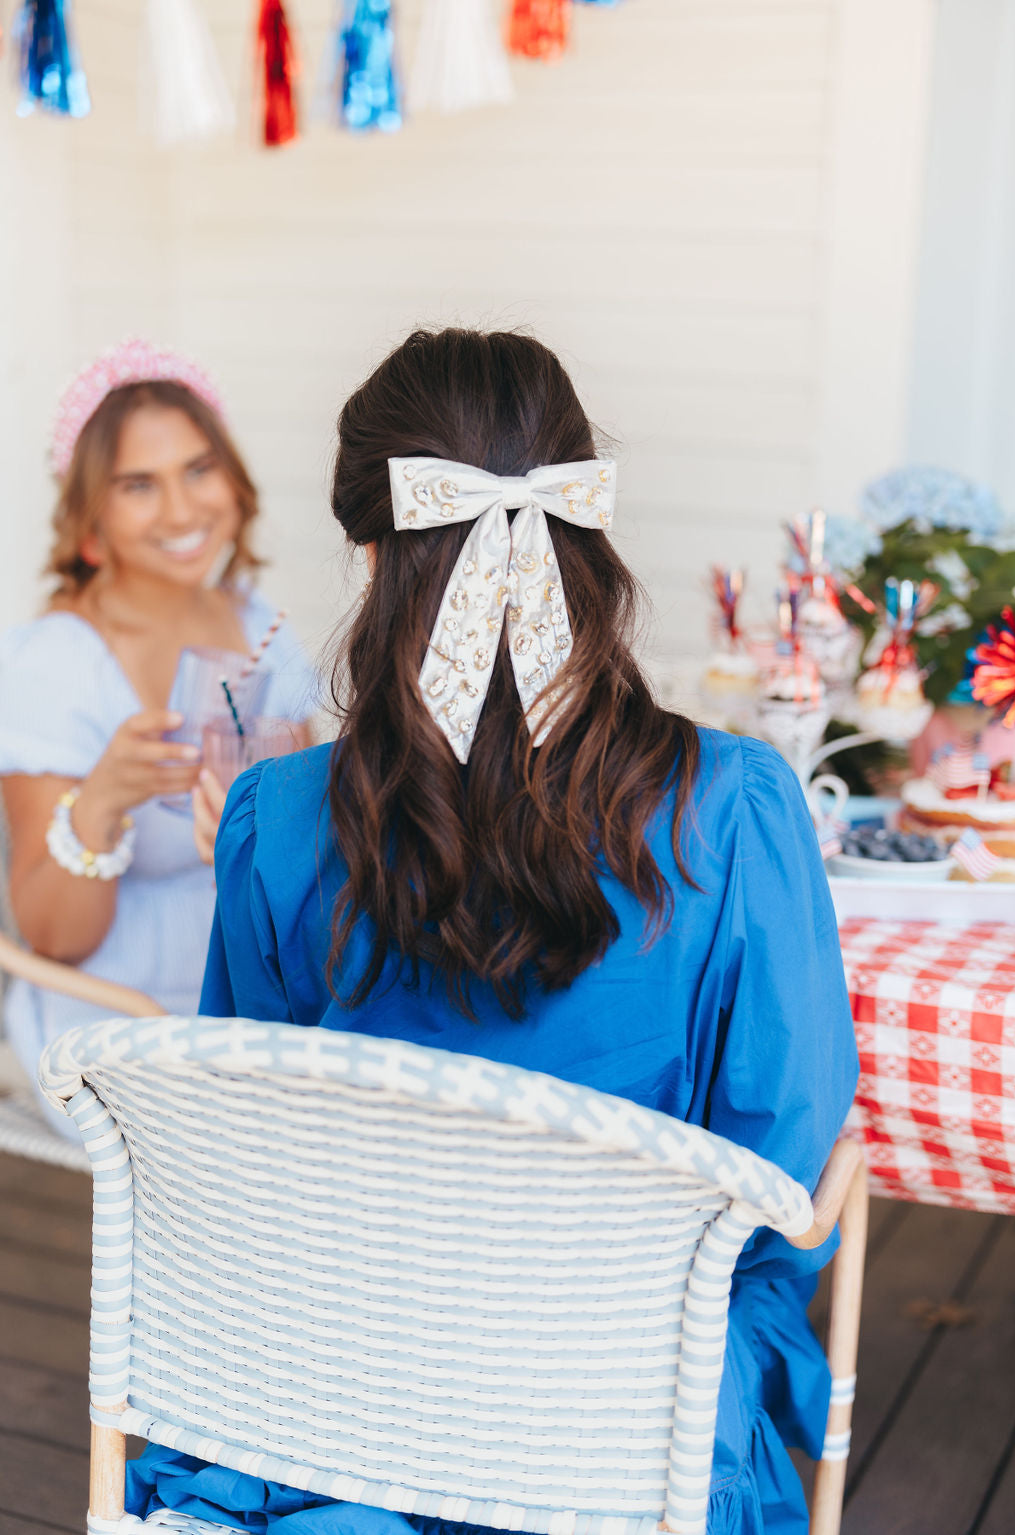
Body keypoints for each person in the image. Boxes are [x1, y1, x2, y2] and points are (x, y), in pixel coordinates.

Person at [126, 329, 859, 1534]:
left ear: (373, 554)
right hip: (625, 1419)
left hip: (336, 1402)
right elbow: (781, 1151)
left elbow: (257, 1134)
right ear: (579, 530)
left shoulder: (271, 819)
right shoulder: (737, 808)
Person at [0, 339, 318, 1135]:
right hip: (115, 1023)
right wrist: (102, 799)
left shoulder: (260, 630)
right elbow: (52, 937)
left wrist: (284, 819)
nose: (182, 512)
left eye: (198, 469)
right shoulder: (54, 664)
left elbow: (314, 870)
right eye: (139, 484)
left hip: (254, 1006)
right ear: (89, 513)